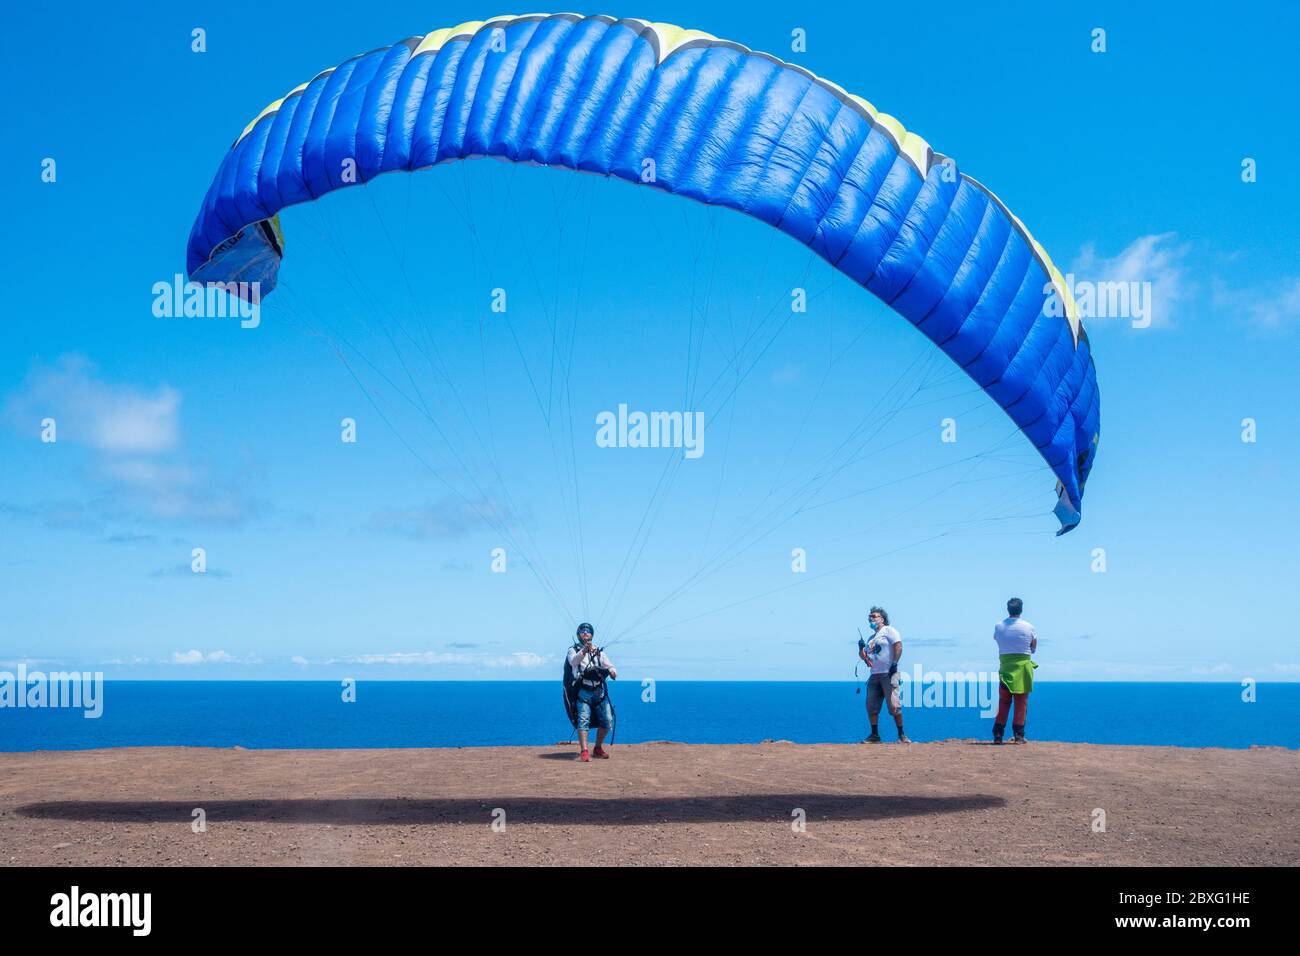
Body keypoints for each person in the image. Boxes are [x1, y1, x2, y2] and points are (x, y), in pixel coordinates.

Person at [566, 623, 617, 762]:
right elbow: (573, 662)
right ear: (578, 634)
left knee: (607, 720)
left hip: (599, 692)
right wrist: (583, 651)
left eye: (588, 631)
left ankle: (598, 748)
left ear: (592, 634)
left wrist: (613, 672)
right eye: (582, 631)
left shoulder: (599, 652)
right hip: (584, 692)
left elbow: (610, 666)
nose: (585, 633)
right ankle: (584, 751)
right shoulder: (573, 650)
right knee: (583, 720)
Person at [858, 606, 910, 743]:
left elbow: (898, 646)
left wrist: (894, 663)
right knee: (871, 707)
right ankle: (875, 735)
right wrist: (861, 648)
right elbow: (865, 657)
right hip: (874, 675)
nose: (871, 619)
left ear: (882, 618)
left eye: (874, 616)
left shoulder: (889, 631)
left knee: (894, 705)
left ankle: (902, 735)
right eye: (869, 617)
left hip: (889, 673)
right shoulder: (871, 638)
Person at [992, 597, 1038, 744]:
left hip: (1006, 668)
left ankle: (998, 735)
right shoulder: (1029, 627)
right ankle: (1019, 735)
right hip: (1023, 669)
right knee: (1021, 702)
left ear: (1008, 609)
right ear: (1021, 609)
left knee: (1004, 701)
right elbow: (1033, 647)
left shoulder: (999, 626)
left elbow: (996, 639)